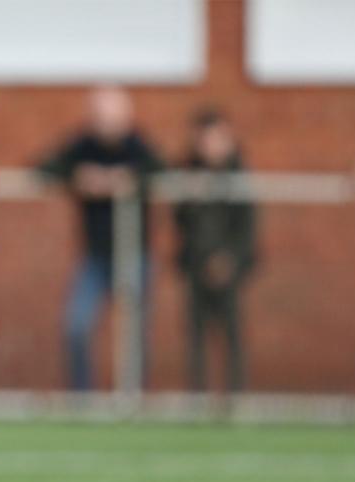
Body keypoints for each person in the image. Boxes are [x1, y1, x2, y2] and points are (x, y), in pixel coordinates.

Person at [38, 85, 162, 391]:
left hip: (134, 254)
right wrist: (79, 177)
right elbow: (45, 167)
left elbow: (159, 171)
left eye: (111, 117)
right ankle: (83, 399)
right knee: (76, 325)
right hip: (94, 256)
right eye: (100, 117)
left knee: (134, 335)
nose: (106, 124)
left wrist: (125, 180)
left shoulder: (138, 145)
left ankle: (135, 399)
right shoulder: (84, 145)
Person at [174, 108, 256, 392]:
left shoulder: (239, 177)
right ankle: (197, 397)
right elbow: (180, 220)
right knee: (195, 336)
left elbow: (247, 227)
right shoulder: (189, 173)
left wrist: (229, 259)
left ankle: (236, 396)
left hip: (229, 268)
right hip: (196, 265)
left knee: (232, 334)